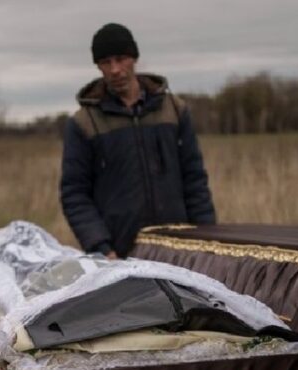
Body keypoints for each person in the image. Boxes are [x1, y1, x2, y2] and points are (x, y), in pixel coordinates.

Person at [60, 22, 216, 259]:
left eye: (121, 59)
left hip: (181, 249)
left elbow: (194, 179)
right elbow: (74, 193)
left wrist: (208, 240)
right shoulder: (84, 123)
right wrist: (101, 247)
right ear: (98, 67)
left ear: (134, 58)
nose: (115, 69)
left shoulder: (174, 110)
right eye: (106, 62)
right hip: (121, 255)